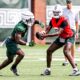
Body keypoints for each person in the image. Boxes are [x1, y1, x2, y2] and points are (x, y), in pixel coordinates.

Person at [40, 4, 80, 76]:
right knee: (49, 51)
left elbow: (58, 33)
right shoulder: (52, 20)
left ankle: (76, 70)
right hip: (62, 37)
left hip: (69, 36)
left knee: (66, 51)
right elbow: (48, 29)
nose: (55, 14)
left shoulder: (63, 20)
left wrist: (46, 35)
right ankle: (48, 70)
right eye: (54, 12)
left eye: (57, 12)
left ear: (60, 12)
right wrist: (43, 33)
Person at [0, 10, 44, 76]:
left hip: (12, 42)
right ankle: (13, 67)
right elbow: (18, 40)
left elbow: (34, 21)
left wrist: (40, 23)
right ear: (25, 19)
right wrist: (28, 44)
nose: (31, 21)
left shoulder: (26, 21)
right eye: (29, 20)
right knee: (21, 54)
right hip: (11, 43)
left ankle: (11, 67)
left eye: (31, 19)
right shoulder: (20, 27)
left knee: (10, 60)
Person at [62, 0, 79, 66]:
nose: (68, 4)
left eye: (69, 3)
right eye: (67, 3)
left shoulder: (75, 11)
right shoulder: (63, 10)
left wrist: (77, 32)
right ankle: (66, 60)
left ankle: (73, 60)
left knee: (72, 45)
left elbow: (77, 22)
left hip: (72, 29)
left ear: (71, 3)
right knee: (65, 45)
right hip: (65, 29)